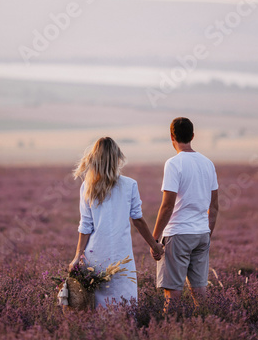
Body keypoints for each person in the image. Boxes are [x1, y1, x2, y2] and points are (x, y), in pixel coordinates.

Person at [69, 137, 164, 308]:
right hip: (122, 255)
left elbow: (85, 226)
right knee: (125, 302)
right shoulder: (130, 185)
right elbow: (138, 220)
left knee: (98, 305)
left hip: (95, 255)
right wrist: (154, 245)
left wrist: (78, 255)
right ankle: (124, 331)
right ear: (117, 158)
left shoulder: (88, 187)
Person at [150, 117, 219, 309]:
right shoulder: (208, 164)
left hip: (178, 234)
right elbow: (214, 207)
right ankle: (206, 327)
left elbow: (167, 206)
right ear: (193, 136)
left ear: (171, 136)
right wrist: (206, 232)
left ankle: (169, 330)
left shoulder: (173, 164)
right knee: (200, 292)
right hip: (201, 234)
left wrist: (154, 239)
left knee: (172, 292)